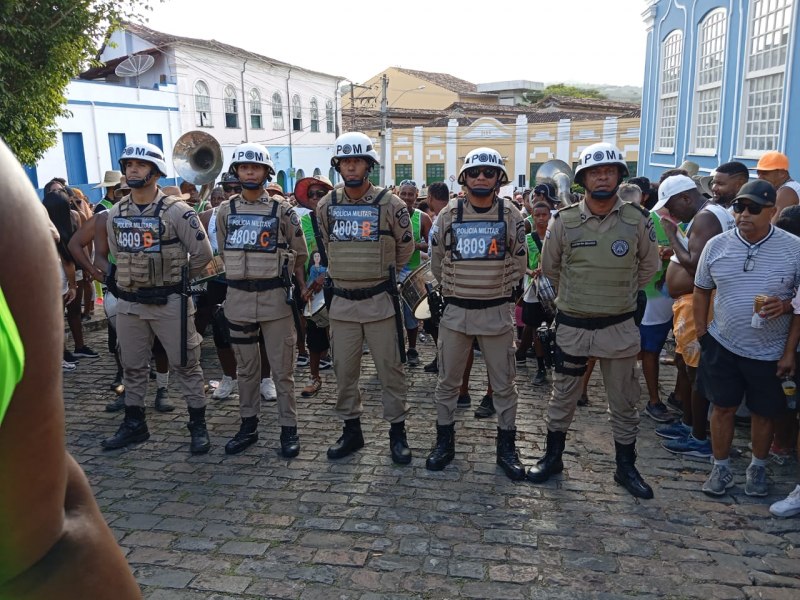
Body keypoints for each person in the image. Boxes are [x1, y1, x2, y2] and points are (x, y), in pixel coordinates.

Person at [0, 138, 140, 599]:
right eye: (127, 173)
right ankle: (135, 411)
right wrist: (100, 274)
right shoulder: (102, 216)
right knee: (130, 360)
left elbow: (52, 537)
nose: (131, 182)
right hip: (125, 294)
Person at [528, 142, 660, 499]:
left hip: (618, 327)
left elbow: (649, 268)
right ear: (583, 178)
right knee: (563, 396)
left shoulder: (638, 220)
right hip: (573, 327)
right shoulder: (564, 221)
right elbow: (551, 269)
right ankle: (553, 458)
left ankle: (625, 468)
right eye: (595, 172)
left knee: (624, 400)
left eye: (609, 171)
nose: (602, 176)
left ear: (620, 176)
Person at [102, 142, 213, 454]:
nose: (133, 169)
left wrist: (174, 277)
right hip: (131, 302)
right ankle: (134, 424)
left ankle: (197, 424)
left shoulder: (178, 211)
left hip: (170, 302)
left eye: (140, 164)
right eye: (129, 164)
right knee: (132, 365)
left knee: (186, 364)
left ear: (156, 171)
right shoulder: (116, 213)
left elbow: (202, 255)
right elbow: (116, 252)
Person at [427, 146, 527, 480]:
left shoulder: (511, 214)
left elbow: (519, 262)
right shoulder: (448, 215)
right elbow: (437, 260)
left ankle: (507, 447)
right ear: (465, 177)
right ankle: (444, 442)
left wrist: (495, 291)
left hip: (496, 313)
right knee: (447, 382)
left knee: (504, 384)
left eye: (488, 172)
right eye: (474, 172)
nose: (481, 177)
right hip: (456, 312)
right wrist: (457, 289)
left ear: (499, 178)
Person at [695, 180, 800, 497]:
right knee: (722, 408)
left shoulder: (794, 248)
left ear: (773, 211)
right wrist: (702, 333)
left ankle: (757, 466)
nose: (744, 214)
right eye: (739, 207)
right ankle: (721, 468)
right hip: (723, 343)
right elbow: (701, 289)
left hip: (769, 350)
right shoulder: (717, 245)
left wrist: (789, 348)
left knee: (764, 412)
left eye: (754, 209)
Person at [318, 132, 414, 464]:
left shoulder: (391, 204)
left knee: (391, 370)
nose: (352, 166)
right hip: (342, 304)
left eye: (357, 160)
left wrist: (386, 274)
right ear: (339, 165)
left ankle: (397, 432)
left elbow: (405, 247)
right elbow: (325, 245)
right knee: (344, 371)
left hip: (380, 302)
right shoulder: (326, 205)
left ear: (368, 165)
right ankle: (351, 430)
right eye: (346, 161)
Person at [215, 143, 308, 456]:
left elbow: (300, 254)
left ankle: (288, 429)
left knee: (283, 371)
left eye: (256, 167)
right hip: (238, 300)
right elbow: (223, 248)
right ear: (237, 172)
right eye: (244, 167)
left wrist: (300, 289)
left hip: (275, 300)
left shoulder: (284, 211)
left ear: (267, 172)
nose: (250, 172)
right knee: (246, 369)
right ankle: (248, 425)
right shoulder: (225, 211)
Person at [652, 175, 734, 457]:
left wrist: (672, 232)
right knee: (686, 366)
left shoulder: (705, 218)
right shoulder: (706, 215)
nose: (670, 213)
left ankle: (699, 438)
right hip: (690, 301)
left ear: (686, 198)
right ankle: (689, 424)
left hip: (699, 302)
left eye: (672, 206)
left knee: (697, 371)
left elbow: (695, 263)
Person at [294, 174, 335, 398]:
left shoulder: (337, 219)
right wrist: (302, 285)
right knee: (314, 334)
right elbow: (299, 257)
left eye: (321, 193)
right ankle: (314, 378)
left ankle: (348, 383)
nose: (316, 197)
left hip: (337, 283)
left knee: (342, 334)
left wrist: (326, 276)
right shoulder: (302, 222)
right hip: (312, 288)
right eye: (312, 194)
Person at [397, 179, 433, 366]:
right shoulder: (391, 214)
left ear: (416, 195)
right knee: (392, 313)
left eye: (410, 194)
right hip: (393, 270)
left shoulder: (422, 218)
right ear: (398, 194)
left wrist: (416, 246)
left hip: (412, 271)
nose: (407, 197)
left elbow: (433, 244)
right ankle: (395, 350)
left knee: (412, 313)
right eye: (403, 193)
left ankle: (412, 349)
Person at [755, 151, 800, 223]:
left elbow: (773, 225)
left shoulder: (787, 191)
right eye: (758, 174)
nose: (759, 178)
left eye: (764, 173)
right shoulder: (786, 188)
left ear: (782, 173)